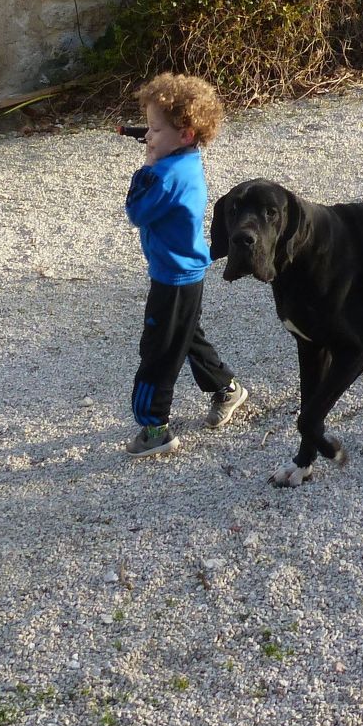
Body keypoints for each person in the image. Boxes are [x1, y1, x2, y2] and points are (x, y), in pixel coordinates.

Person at [121, 73, 248, 456]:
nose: (148, 137)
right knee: (186, 336)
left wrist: (146, 165)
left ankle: (154, 428)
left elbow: (136, 211)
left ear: (186, 134)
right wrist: (157, 148)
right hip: (187, 272)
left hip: (172, 277)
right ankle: (228, 388)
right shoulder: (188, 162)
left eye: (155, 130)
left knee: (159, 350)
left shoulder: (162, 175)